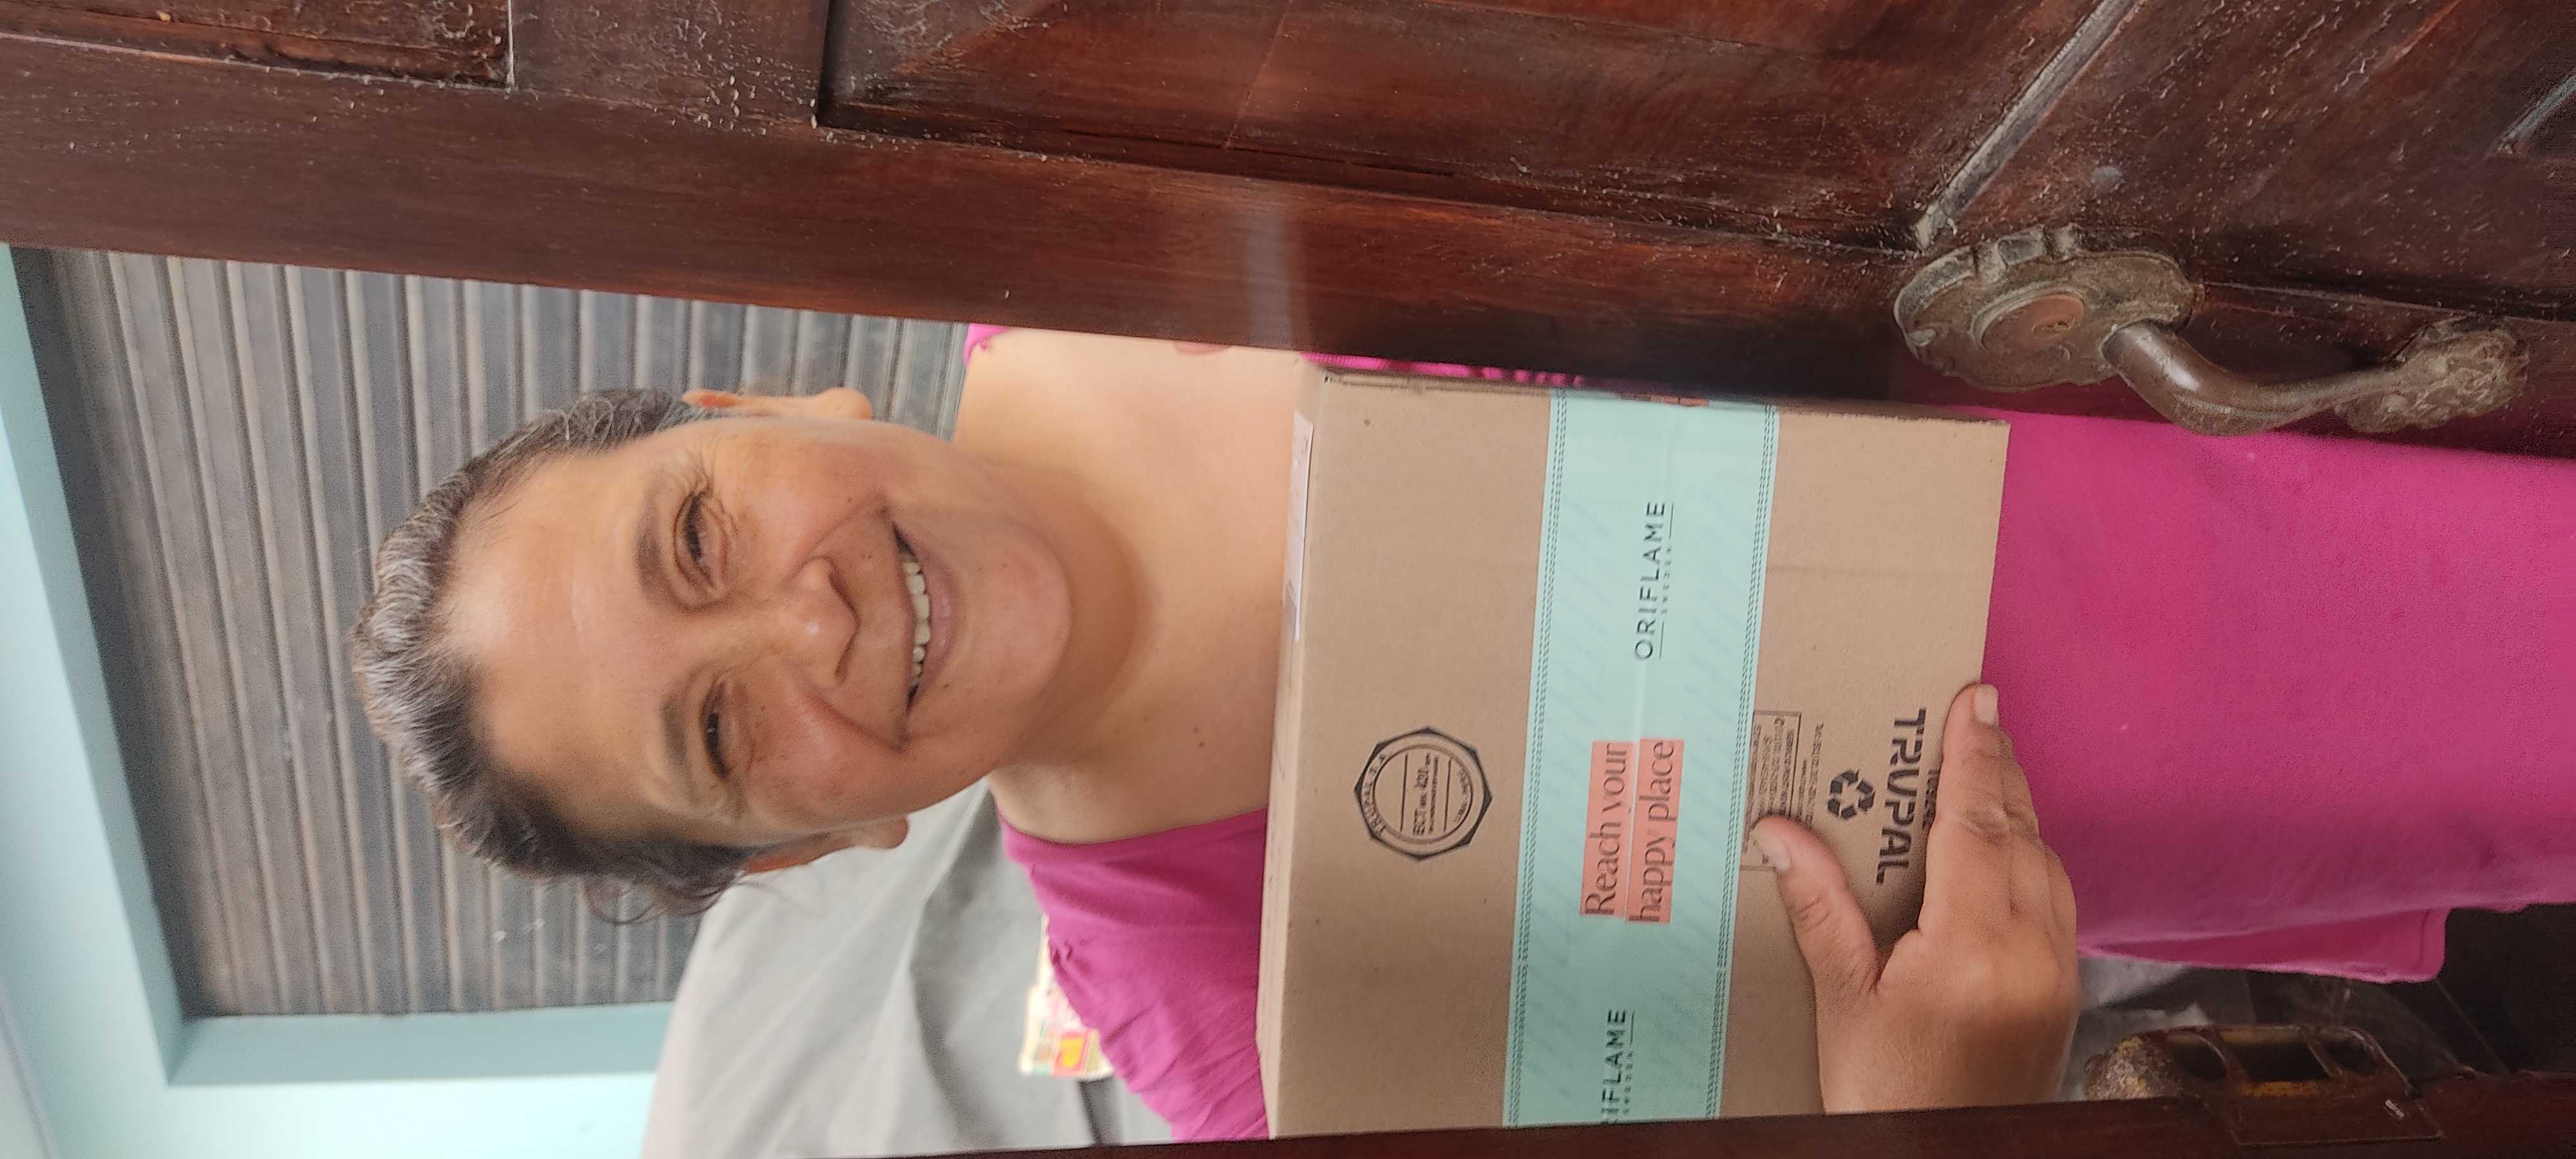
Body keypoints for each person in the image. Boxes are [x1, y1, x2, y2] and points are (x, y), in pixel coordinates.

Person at [352, 329, 2576, 1139]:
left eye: (701, 534)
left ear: (761, 402)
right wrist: (1932, 1124)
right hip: (2334, 738)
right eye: (725, 729)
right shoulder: (1223, 1018)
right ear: (801, 857)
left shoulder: (1113, 178)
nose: (807, 617)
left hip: (2244, 292)